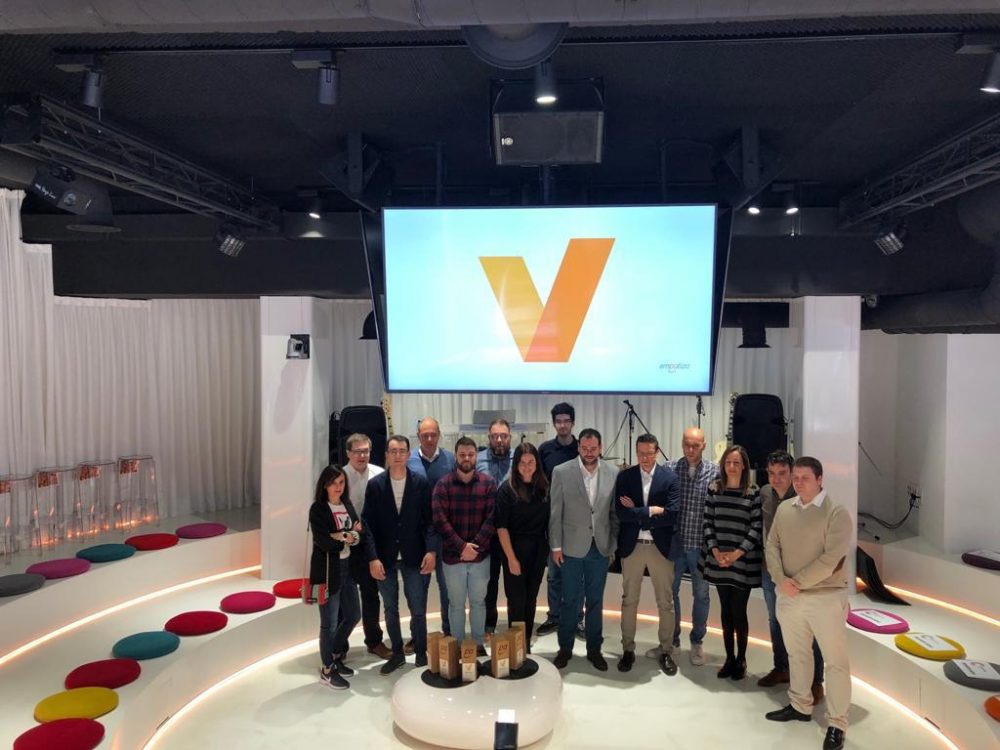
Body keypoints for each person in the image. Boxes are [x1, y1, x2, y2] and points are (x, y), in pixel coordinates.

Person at [765, 457, 853, 750]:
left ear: (820, 479)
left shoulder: (837, 513)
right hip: (789, 596)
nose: (799, 483)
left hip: (825, 597)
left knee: (835, 662)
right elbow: (772, 545)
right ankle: (800, 705)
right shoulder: (784, 509)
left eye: (805, 478)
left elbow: (831, 559)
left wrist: (796, 583)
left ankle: (837, 723)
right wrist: (780, 580)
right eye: (796, 478)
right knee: (798, 654)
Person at [363, 435, 437, 675]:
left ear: (408, 454)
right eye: (393, 451)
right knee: (390, 610)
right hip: (384, 558)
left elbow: (430, 522)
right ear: (386, 455)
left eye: (402, 451)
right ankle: (397, 653)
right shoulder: (375, 486)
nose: (397, 455)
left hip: (415, 556)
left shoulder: (420, 484)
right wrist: (372, 557)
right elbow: (367, 525)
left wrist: (431, 551)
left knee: (418, 609)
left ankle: (421, 652)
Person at [758, 450, 826, 704]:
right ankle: (781, 668)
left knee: (809, 626)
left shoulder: (803, 497)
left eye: (782, 473)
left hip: (799, 573)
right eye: (771, 473)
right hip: (770, 571)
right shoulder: (764, 493)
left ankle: (816, 681)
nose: (776, 479)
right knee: (775, 620)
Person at [549, 428, 619, 671]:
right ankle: (565, 648)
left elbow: (614, 513)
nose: (589, 453)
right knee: (569, 600)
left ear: (600, 448)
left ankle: (594, 649)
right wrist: (556, 546)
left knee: (596, 601)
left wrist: (612, 543)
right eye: (585, 448)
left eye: (593, 449)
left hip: (600, 547)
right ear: (578, 447)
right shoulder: (561, 472)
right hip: (570, 548)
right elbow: (555, 513)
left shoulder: (613, 472)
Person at [614, 433, 682, 676]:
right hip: (632, 546)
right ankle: (628, 649)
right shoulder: (625, 477)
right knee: (629, 600)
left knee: (665, 602)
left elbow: (672, 514)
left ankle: (666, 650)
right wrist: (652, 510)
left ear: (657, 452)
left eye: (649, 453)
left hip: (660, 548)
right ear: (636, 452)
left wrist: (638, 512)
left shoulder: (670, 478)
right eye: (641, 453)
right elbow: (621, 513)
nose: (644, 457)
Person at [700, 444, 762, 681]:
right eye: (728, 462)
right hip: (719, 560)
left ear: (744, 465)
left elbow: (756, 527)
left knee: (739, 611)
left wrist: (737, 554)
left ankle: (741, 659)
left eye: (736, 462)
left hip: (742, 562)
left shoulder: (753, 492)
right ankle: (729, 658)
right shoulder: (714, 488)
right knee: (725, 611)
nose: (732, 466)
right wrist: (715, 551)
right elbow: (707, 522)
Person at [433, 436, 497, 655]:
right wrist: (462, 547)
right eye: (462, 455)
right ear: (456, 456)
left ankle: (478, 645)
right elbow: (440, 520)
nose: (467, 458)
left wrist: (474, 546)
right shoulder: (443, 484)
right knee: (456, 604)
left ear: (476, 456)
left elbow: (492, 518)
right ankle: (458, 646)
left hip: (480, 557)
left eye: (470, 454)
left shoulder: (488, 483)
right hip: (453, 557)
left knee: (479, 603)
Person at [668, 426, 719, 666]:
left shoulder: (715, 472)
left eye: (695, 445)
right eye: (687, 444)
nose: (690, 449)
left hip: (701, 546)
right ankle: (673, 640)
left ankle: (697, 641)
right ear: (682, 443)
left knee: (701, 595)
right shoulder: (670, 469)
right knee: (670, 593)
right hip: (675, 544)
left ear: (704, 446)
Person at [310, 465, 363, 690]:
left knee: (353, 615)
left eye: (341, 482)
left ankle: (334, 653)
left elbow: (358, 535)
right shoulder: (318, 509)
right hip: (326, 571)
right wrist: (347, 537)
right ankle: (327, 669)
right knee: (328, 624)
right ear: (325, 485)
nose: (338, 487)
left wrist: (345, 536)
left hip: (348, 567)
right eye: (333, 483)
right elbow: (324, 542)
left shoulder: (347, 504)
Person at [535, 402, 585, 639]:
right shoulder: (545, 449)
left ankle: (577, 619)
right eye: (558, 421)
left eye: (566, 421)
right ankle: (554, 616)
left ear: (572, 423)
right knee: (554, 574)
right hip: (553, 519)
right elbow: (539, 482)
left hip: (578, 522)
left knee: (577, 575)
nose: (562, 425)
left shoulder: (583, 447)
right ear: (554, 423)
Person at [495, 442, 550, 649]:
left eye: (531, 462)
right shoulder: (506, 490)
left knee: (531, 598)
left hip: (538, 549)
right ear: (516, 464)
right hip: (514, 549)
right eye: (522, 462)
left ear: (537, 463)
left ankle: (525, 643)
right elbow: (501, 527)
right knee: (516, 600)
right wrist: (511, 559)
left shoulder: (544, 488)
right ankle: (515, 646)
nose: (527, 467)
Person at [342, 433, 391, 659]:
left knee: (371, 594)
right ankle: (339, 646)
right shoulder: (340, 476)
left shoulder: (379, 473)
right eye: (357, 451)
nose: (362, 455)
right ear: (348, 453)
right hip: (344, 543)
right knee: (344, 597)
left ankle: (374, 641)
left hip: (370, 543)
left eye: (366, 451)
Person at [407, 417, 456, 637]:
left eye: (433, 434)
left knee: (447, 590)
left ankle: (449, 634)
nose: (429, 439)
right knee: (418, 592)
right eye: (425, 435)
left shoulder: (450, 459)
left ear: (439, 435)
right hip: (418, 537)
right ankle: (418, 637)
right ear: (418, 436)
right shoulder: (408, 460)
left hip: (446, 535)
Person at [476, 418, 512, 637]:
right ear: (489, 437)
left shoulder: (519, 458)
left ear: (510, 437)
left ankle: (515, 626)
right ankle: (489, 624)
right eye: (495, 436)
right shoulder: (478, 459)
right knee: (488, 581)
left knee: (513, 580)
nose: (499, 440)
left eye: (503, 436)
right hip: (485, 533)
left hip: (512, 532)